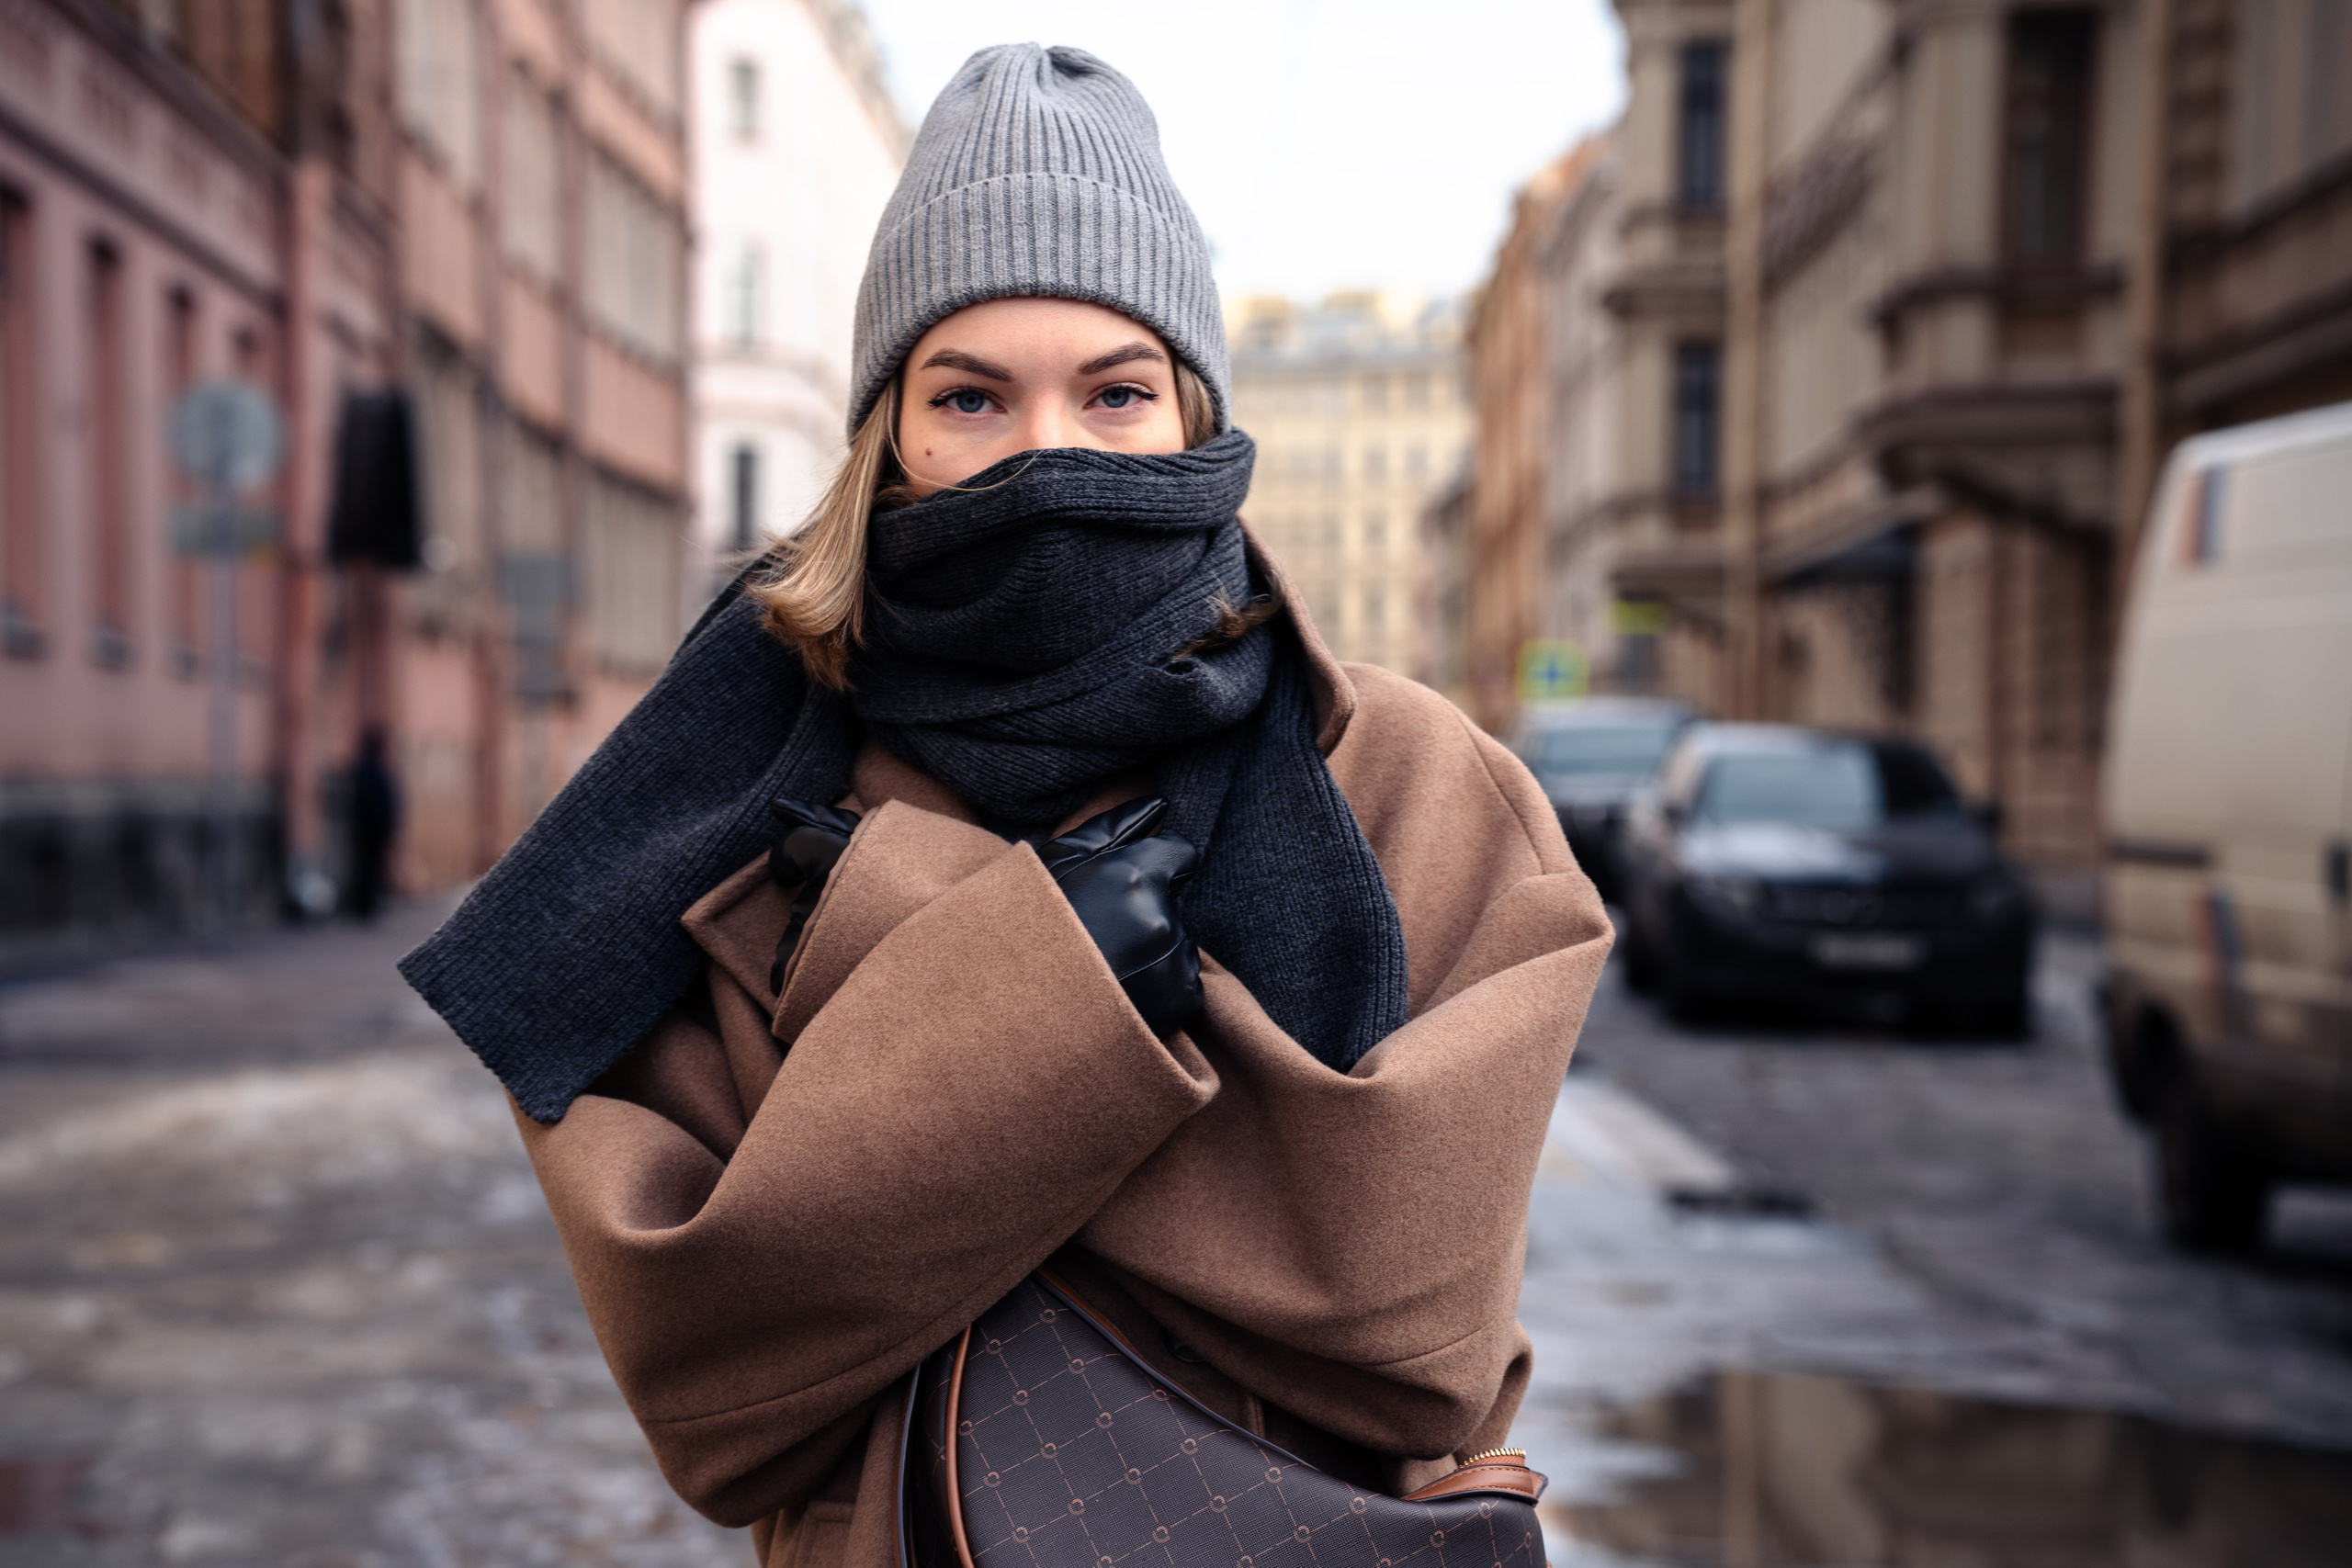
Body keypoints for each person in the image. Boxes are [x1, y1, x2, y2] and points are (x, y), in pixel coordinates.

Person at [401, 43, 1611, 1568]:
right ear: (887, 438)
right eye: (971, 396)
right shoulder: (715, 812)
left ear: (1193, 420)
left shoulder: (1415, 780)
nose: (1049, 456)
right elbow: (715, 1378)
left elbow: (1406, 1316)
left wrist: (916, 963)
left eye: (1113, 393)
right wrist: (1044, 991)